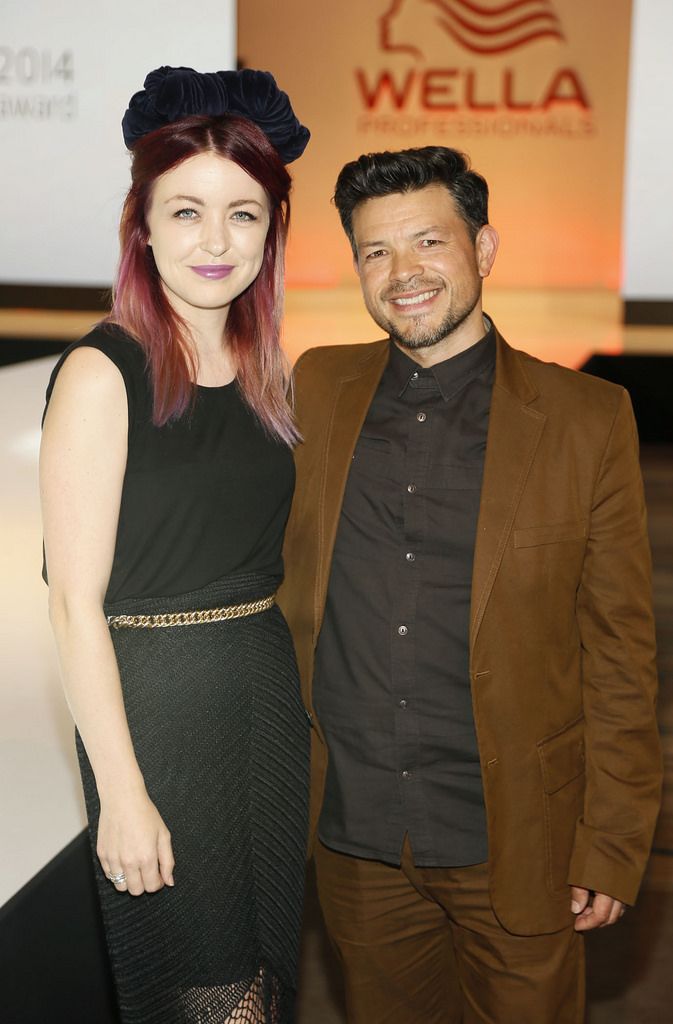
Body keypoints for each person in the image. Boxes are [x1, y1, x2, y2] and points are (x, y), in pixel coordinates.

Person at [277, 146, 662, 1023]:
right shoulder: (317, 385)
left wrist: (610, 841)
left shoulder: (586, 419)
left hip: (519, 840)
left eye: (427, 242)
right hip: (357, 838)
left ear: (483, 250)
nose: (402, 273)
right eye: (375, 252)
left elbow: (620, 654)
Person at [40, 66, 310, 1024]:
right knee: (212, 993)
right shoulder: (99, 372)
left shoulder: (263, 371)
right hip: (159, 716)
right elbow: (73, 605)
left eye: (243, 214)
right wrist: (121, 790)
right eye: (186, 211)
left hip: (263, 698)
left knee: (270, 978)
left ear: (271, 229)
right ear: (141, 225)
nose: (215, 241)